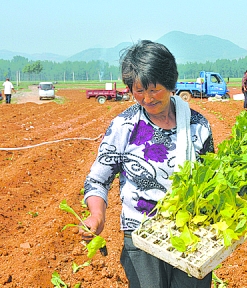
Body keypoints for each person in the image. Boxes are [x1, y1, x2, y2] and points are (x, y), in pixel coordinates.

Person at [79, 40, 216, 288]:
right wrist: (97, 216)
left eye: (154, 90)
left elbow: (215, 182)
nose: (147, 98)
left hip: (193, 235)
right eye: (139, 91)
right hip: (141, 239)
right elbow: (97, 179)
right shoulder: (125, 126)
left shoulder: (197, 126)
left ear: (171, 83)